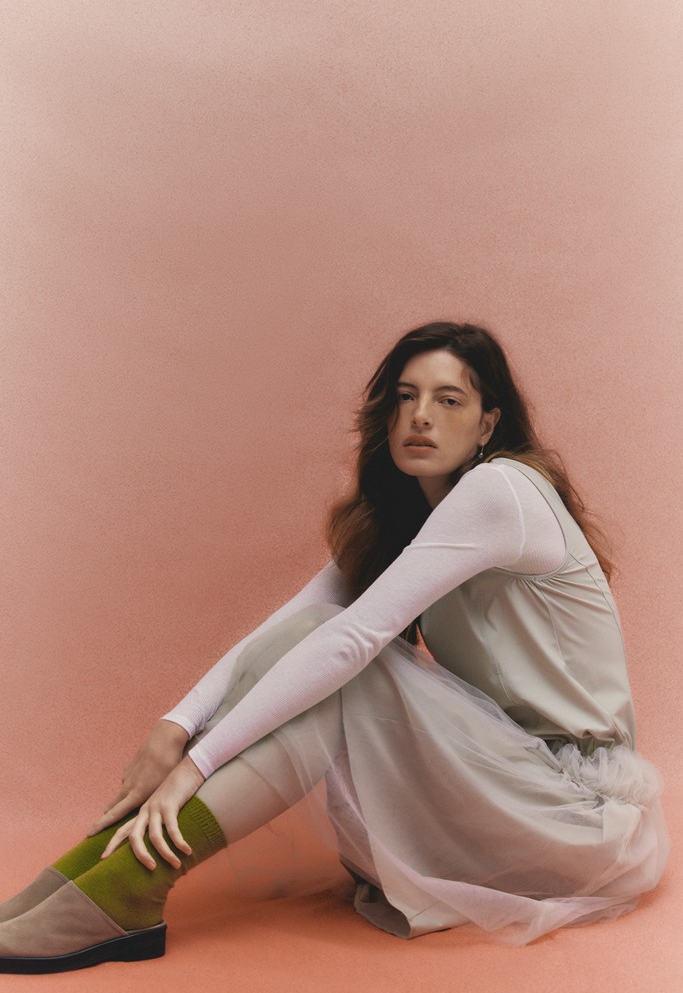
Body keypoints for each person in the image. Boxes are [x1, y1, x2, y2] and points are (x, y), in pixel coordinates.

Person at [0, 322, 668, 973]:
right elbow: (290, 626)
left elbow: (352, 639)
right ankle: (77, 881)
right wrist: (173, 727)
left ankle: (128, 888)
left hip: (575, 822)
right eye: (405, 397)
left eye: (448, 400)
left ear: (487, 424)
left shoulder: (502, 491)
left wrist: (197, 766)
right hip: (496, 789)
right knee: (303, 641)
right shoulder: (412, 520)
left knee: (346, 669)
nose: (420, 416)